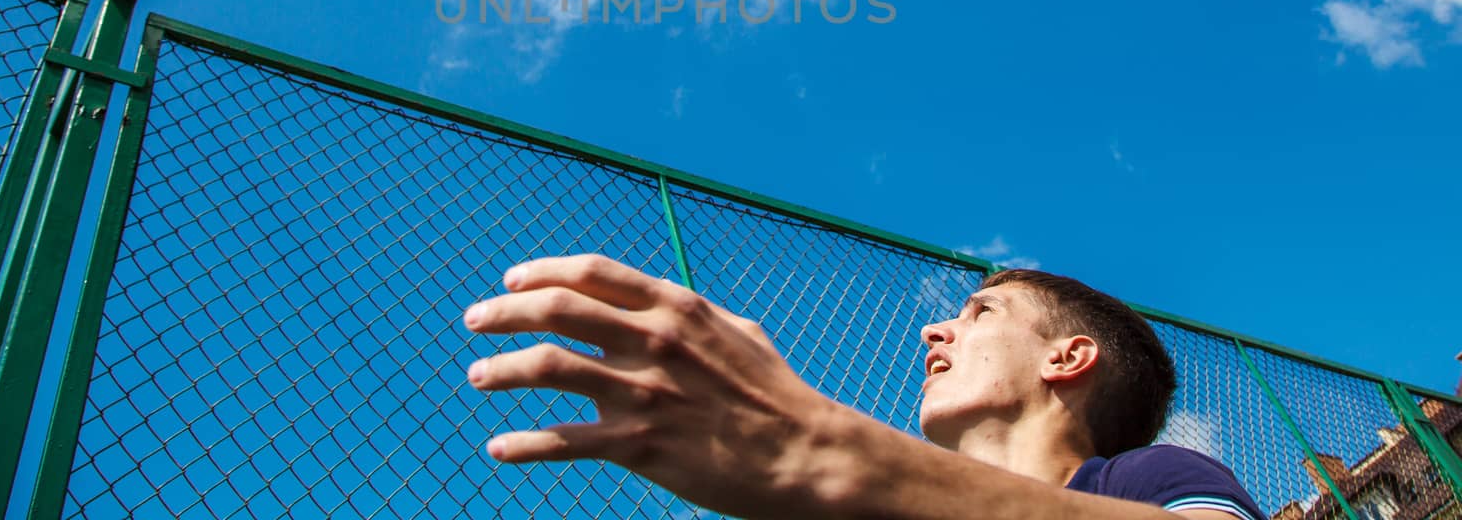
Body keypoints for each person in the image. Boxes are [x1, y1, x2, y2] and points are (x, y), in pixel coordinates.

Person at [463, 255, 1266, 519]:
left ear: (1067, 358)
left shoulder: (1149, 479)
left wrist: (834, 450)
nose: (934, 329)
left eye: (980, 311)